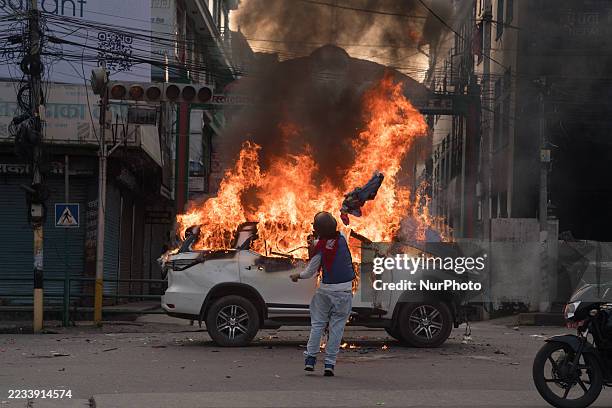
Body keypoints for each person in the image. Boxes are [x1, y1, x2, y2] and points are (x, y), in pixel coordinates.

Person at [290, 211, 355, 376]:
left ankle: (310, 360)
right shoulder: (343, 239)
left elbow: (310, 272)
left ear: (318, 230)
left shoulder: (319, 248)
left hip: (326, 292)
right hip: (345, 292)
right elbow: (336, 236)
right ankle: (329, 365)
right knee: (336, 329)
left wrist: (297, 276)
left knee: (318, 325)